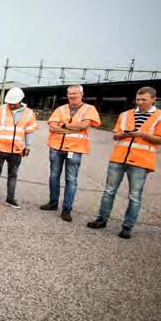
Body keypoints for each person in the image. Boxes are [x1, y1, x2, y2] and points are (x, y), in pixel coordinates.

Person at [87, 86, 161, 239]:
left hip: (141, 161)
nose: (140, 102)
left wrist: (142, 134)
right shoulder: (125, 115)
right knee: (109, 191)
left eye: (144, 99)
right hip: (118, 158)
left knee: (134, 196)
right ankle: (101, 220)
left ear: (153, 99)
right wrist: (123, 135)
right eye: (138, 99)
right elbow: (115, 135)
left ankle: (127, 227)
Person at [39, 84, 101, 222]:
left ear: (81, 94)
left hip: (75, 149)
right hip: (56, 148)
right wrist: (73, 129)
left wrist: (65, 125)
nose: (72, 96)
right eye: (70, 94)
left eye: (75, 93)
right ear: (67, 95)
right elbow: (52, 128)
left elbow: (84, 125)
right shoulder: (60, 109)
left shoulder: (89, 109)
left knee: (71, 179)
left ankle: (67, 209)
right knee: (54, 175)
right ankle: (53, 203)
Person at [0, 87, 38, 208]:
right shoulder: (0, 110)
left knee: (13, 175)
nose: (11, 105)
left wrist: (28, 146)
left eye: (13, 103)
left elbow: (29, 131)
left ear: (20, 101)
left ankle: (10, 199)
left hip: (17, 150)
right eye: (9, 103)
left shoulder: (29, 113)